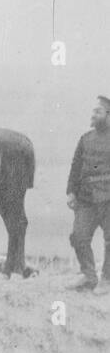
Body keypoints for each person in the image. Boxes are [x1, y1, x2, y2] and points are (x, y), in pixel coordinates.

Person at [64, 94, 110, 292]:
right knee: (79, 236)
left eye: (97, 111)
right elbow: (75, 166)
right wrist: (71, 192)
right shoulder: (85, 138)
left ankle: (107, 279)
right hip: (86, 198)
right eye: (93, 111)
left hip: (108, 198)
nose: (93, 114)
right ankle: (89, 275)